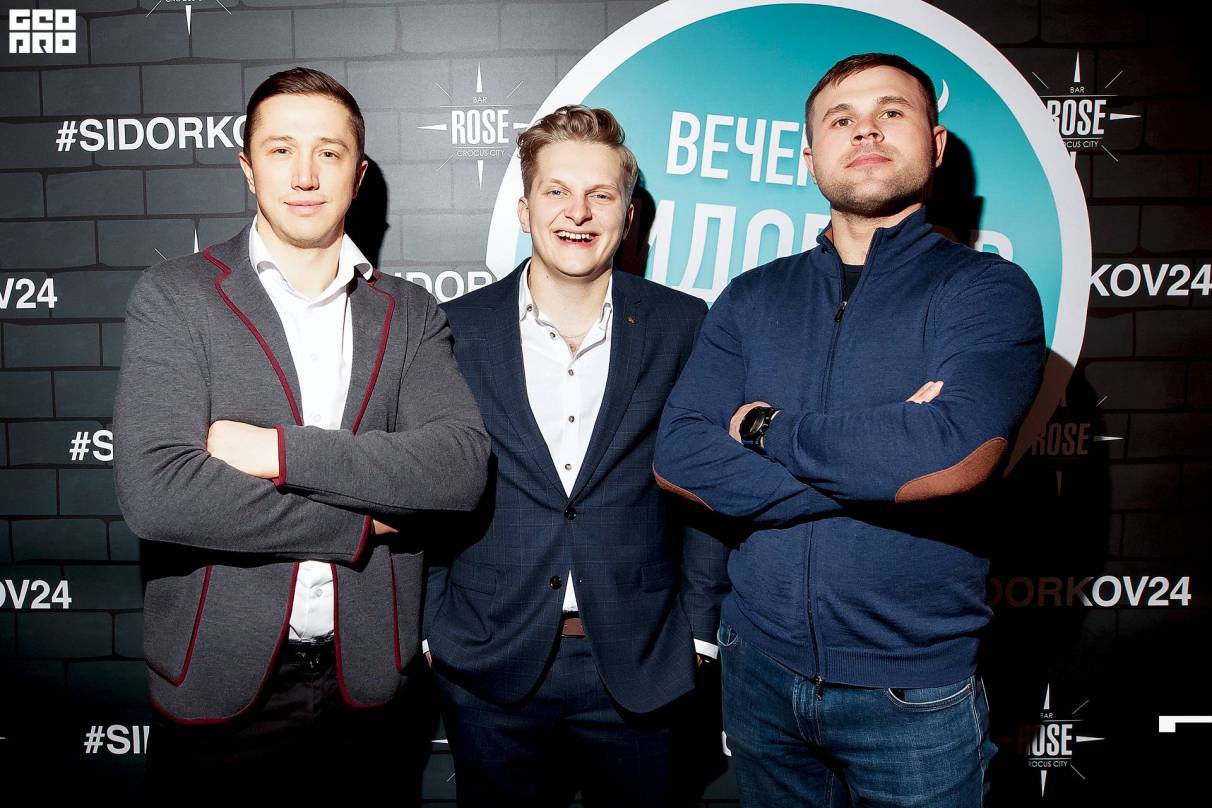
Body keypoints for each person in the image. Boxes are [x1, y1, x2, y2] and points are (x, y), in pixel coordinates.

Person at [653, 53, 1047, 807]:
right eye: (841, 120)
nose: (865, 130)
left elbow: (951, 454)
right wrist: (881, 464)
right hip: (758, 670)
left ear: (935, 143)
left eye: (890, 112)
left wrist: (764, 428)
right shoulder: (752, 296)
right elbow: (678, 455)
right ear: (809, 158)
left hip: (913, 690)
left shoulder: (985, 290)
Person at [113, 67, 488, 793]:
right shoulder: (176, 296)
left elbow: (459, 469)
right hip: (219, 686)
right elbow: (160, 494)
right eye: (282, 150)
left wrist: (276, 451)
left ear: (359, 174)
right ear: (247, 168)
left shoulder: (410, 313)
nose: (306, 175)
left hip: (370, 689)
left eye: (329, 152)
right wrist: (361, 524)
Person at [425, 105, 730, 808]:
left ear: (629, 214)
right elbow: (429, 484)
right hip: (487, 663)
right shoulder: (454, 330)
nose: (579, 212)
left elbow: (705, 485)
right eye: (557, 191)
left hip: (643, 660)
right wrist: (434, 629)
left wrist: (699, 634)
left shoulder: (683, 324)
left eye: (601, 194)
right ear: (525, 209)